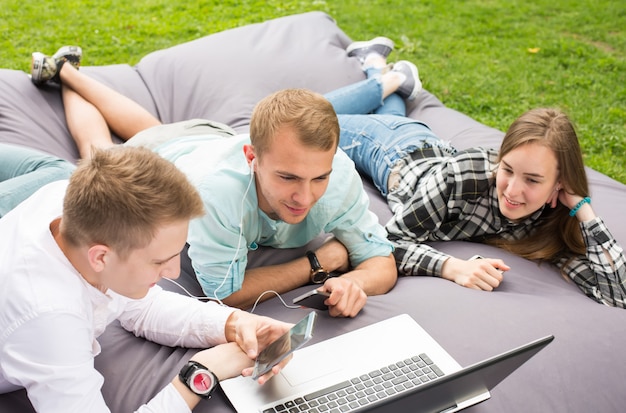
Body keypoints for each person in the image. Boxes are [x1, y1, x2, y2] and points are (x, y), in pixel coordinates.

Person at [27, 39, 412, 317]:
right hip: (162, 160)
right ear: (253, 159)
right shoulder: (218, 195)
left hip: (207, 138)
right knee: (98, 151)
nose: (305, 197)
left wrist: (354, 284)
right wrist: (318, 262)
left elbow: (381, 260)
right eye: (288, 177)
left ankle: (66, 70)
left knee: (152, 125)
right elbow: (226, 296)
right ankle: (65, 74)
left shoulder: (340, 175)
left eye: (318, 178)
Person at [0, 145, 293, 412]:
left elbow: (137, 305)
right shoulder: (49, 319)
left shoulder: (76, 206)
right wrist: (201, 372)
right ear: (101, 257)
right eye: (159, 261)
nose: (175, 273)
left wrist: (234, 322)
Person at [327, 47, 626, 307]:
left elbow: (617, 295)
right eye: (507, 170)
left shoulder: (549, 225)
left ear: (558, 185)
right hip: (394, 150)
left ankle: (379, 67)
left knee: (390, 116)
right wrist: (452, 267)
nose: (512, 190)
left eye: (533, 180)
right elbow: (388, 243)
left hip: (412, 139)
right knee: (312, 119)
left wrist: (583, 209)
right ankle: (391, 78)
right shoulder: (466, 176)